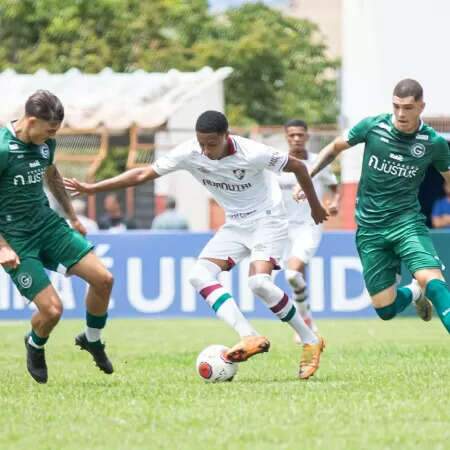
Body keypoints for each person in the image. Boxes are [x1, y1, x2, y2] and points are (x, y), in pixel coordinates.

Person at [65, 110, 329, 380]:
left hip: (268, 221)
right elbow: (143, 173)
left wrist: (316, 206)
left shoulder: (252, 152)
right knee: (198, 276)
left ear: (227, 136)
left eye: (211, 144)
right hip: (235, 225)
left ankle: (310, 340)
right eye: (201, 143)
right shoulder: (189, 152)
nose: (205, 150)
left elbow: (297, 166)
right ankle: (249, 336)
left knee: (259, 283)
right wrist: (93, 188)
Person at [302, 79, 450, 332]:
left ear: (421, 107)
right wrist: (307, 176)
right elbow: (335, 147)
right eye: (397, 107)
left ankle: (424, 286)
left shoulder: (433, 143)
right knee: (385, 309)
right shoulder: (373, 126)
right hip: (370, 229)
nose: (401, 114)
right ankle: (415, 292)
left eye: (408, 108)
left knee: (433, 280)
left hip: (407, 223)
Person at [0, 90, 114, 384]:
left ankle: (92, 339)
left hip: (47, 225)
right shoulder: (2, 148)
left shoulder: (46, 143)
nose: (52, 135)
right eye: (50, 129)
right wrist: (2, 246)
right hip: (16, 238)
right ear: (32, 120)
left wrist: (72, 216)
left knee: (104, 279)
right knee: (52, 311)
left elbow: (51, 176)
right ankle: (35, 344)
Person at [278, 119, 339, 338]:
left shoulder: (317, 162)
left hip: (308, 226)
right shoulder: (278, 164)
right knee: (289, 277)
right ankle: (306, 319)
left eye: (300, 135)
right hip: (282, 230)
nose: (296, 138)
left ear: (307, 137)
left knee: (293, 274)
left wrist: (333, 202)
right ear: (286, 137)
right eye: (292, 135)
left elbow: (333, 187)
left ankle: (304, 320)